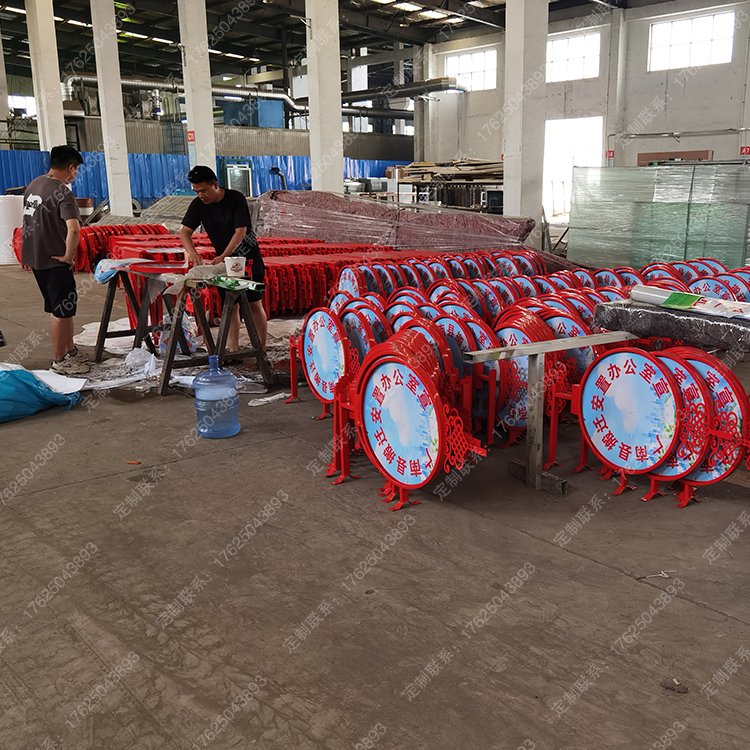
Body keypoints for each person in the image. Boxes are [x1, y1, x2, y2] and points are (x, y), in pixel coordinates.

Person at [180, 165, 267, 353]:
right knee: (230, 304)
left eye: (204, 190)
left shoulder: (235, 198)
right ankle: (233, 349)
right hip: (223, 261)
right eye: (196, 191)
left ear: (215, 184)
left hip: (247, 256)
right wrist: (192, 252)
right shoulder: (198, 205)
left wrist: (223, 256)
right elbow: (185, 232)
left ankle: (260, 348)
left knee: (253, 303)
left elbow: (240, 232)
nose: (201, 195)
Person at [21, 145, 89, 375]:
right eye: (76, 169)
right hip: (55, 260)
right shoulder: (63, 192)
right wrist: (68, 256)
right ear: (70, 167)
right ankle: (60, 360)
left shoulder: (34, 185)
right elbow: (74, 229)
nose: (76, 174)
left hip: (36, 257)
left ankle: (69, 351)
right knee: (61, 312)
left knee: (65, 308)